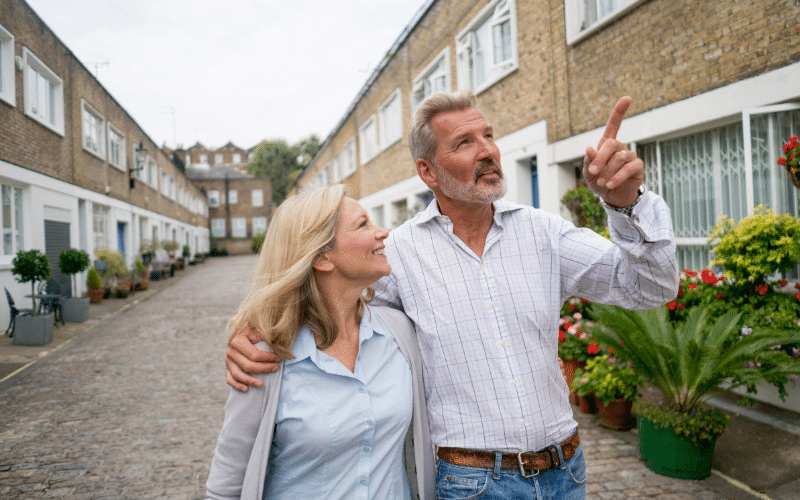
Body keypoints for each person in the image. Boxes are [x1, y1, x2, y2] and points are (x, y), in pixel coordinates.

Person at [226, 91, 679, 500]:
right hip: (472, 483)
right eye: (464, 143)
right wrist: (253, 334)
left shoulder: (545, 233)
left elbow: (651, 286)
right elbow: (325, 302)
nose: (488, 151)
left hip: (566, 472)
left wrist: (626, 203)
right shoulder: (396, 255)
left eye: (488, 135)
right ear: (428, 171)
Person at [205, 185, 435, 500]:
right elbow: (226, 484)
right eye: (363, 224)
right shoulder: (264, 359)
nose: (383, 232)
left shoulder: (399, 333)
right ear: (322, 257)